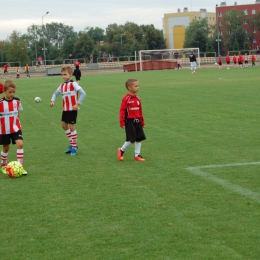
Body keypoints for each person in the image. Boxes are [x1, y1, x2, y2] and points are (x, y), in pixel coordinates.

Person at [50, 66, 86, 156]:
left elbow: (83, 93)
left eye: (65, 74)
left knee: (71, 126)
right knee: (64, 125)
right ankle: (72, 144)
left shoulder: (73, 84)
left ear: (71, 74)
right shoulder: (62, 85)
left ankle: (74, 147)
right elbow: (55, 93)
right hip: (65, 109)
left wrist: (77, 104)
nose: (63, 76)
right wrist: (52, 100)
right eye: (62, 75)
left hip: (72, 109)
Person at [0, 80, 27, 175]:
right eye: (10, 92)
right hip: (4, 129)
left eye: (13, 92)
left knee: (20, 144)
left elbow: (18, 113)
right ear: (4, 91)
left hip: (15, 128)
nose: (12, 94)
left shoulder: (17, 101)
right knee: (6, 147)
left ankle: (20, 166)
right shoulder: (0, 103)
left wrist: (19, 124)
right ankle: (3, 164)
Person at [117, 78, 146, 162]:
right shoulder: (126, 99)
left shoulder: (138, 99)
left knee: (139, 138)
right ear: (129, 88)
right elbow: (122, 110)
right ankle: (121, 150)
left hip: (138, 121)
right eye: (136, 86)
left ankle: (137, 155)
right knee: (131, 139)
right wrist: (122, 121)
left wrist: (142, 121)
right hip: (130, 121)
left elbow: (140, 111)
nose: (138, 88)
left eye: (138, 86)